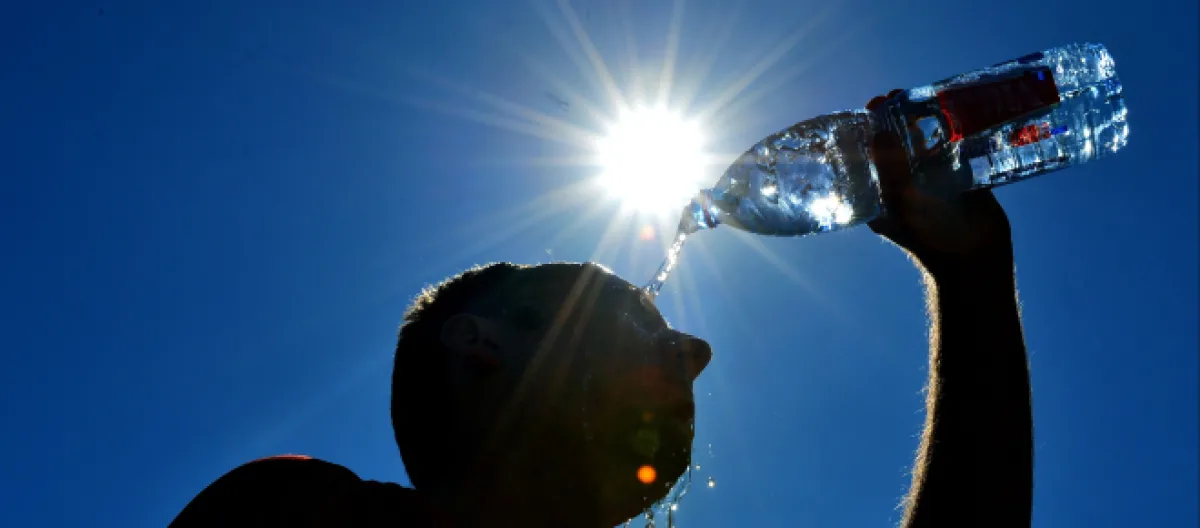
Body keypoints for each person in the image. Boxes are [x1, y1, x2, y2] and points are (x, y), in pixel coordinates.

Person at [169, 92, 1032, 527]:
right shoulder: (292, 515)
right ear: (480, 346)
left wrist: (974, 282)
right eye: (634, 311)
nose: (696, 352)